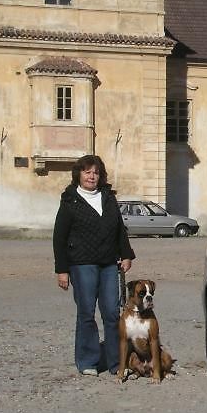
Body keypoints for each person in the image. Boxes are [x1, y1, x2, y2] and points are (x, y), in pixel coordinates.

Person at [53, 154, 135, 376]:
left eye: (96, 172)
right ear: (79, 175)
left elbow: (119, 228)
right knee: (87, 313)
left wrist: (126, 254)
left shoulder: (107, 197)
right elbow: (59, 237)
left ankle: (116, 362)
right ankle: (88, 360)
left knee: (111, 312)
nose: (92, 176)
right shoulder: (70, 201)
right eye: (87, 172)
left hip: (109, 263)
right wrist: (62, 270)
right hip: (81, 264)